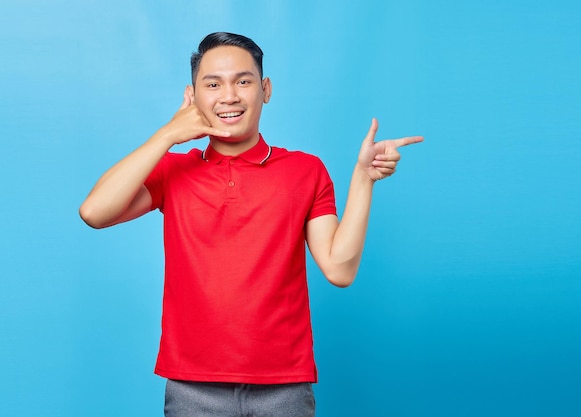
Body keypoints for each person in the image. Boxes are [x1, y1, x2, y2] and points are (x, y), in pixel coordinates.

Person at [79, 32, 422, 417]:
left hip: (284, 387)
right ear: (192, 97)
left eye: (243, 81)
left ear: (266, 89)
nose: (229, 96)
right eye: (213, 84)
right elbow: (95, 212)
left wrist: (363, 179)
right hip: (193, 387)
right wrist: (168, 134)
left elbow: (339, 269)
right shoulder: (172, 171)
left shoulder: (305, 170)